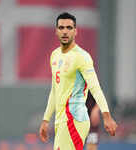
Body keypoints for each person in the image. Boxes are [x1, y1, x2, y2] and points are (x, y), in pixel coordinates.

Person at [39, 12, 117, 150]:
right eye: (61, 27)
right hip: (60, 120)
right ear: (56, 31)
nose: (65, 31)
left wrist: (107, 116)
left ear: (76, 31)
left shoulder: (82, 57)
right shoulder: (55, 55)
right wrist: (46, 120)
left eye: (69, 28)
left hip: (74, 120)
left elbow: (95, 88)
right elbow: (54, 91)